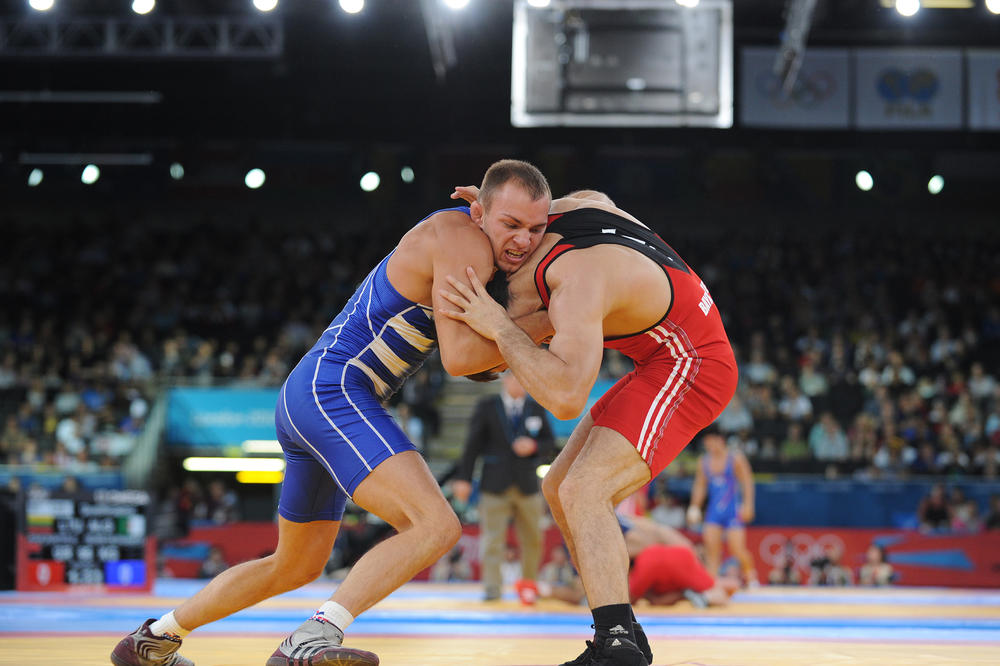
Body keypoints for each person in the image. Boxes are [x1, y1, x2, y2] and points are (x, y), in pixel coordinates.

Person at [110, 159, 554, 666]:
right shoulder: (462, 237)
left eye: (536, 229)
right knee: (436, 525)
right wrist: (544, 323)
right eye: (511, 225)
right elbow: (460, 360)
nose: (524, 240)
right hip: (335, 391)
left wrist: (506, 316)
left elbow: (479, 361)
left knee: (294, 565)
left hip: (309, 395)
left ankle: (151, 641)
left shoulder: (474, 239)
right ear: (478, 211)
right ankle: (314, 637)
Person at [441, 187, 738, 666]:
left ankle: (617, 644)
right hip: (665, 358)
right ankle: (621, 635)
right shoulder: (564, 216)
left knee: (584, 489)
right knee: (559, 485)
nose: (510, 365)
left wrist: (500, 330)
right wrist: (501, 211)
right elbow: (594, 194)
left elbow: (564, 398)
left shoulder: (569, 289)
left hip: (692, 365)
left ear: (516, 306)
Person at [451, 371, 555, 602]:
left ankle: (528, 585)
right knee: (492, 538)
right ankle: (492, 588)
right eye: (516, 379)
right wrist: (464, 478)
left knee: (533, 538)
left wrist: (534, 445)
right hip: (494, 483)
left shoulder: (535, 407)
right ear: (505, 380)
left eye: (524, 379)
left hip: (527, 484)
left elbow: (550, 442)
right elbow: (472, 445)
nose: (520, 384)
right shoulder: (488, 406)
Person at [686, 425, 758, 586]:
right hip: (714, 511)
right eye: (706, 444)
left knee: (736, 549)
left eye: (710, 442)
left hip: (733, 511)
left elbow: (747, 482)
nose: (708, 446)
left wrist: (748, 505)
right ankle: (712, 583)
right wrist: (694, 506)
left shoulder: (735, 458)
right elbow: (700, 486)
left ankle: (751, 577)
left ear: (720, 440)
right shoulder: (704, 462)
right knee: (711, 550)